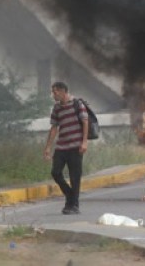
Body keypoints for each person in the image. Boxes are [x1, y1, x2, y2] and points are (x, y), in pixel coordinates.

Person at [44, 81, 89, 214]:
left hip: (76, 146)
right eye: (53, 92)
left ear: (63, 91)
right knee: (55, 172)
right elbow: (54, 128)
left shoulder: (77, 104)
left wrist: (84, 142)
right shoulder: (56, 108)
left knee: (75, 177)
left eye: (55, 91)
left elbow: (85, 122)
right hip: (61, 146)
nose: (53, 94)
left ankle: (73, 205)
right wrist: (48, 147)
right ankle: (70, 196)